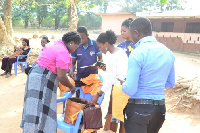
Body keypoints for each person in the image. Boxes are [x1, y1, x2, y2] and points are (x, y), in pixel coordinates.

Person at [119, 17, 175, 133]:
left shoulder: (137, 53)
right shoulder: (167, 52)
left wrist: (124, 84)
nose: (132, 39)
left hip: (139, 109)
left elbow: (130, 89)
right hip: (159, 109)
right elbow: (171, 82)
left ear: (136, 33)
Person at [20, 31, 81, 133]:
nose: (75, 49)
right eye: (76, 46)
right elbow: (61, 77)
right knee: (43, 109)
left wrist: (68, 71)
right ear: (71, 42)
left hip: (34, 75)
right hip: (43, 80)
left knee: (33, 107)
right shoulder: (63, 52)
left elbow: (53, 63)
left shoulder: (55, 44)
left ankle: (30, 130)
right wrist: (72, 87)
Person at [90, 30, 128, 133]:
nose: (99, 49)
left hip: (117, 91)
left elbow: (112, 79)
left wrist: (98, 94)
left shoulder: (113, 56)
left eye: (99, 46)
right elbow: (117, 72)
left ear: (106, 44)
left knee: (113, 119)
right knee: (123, 119)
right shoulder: (119, 51)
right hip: (125, 89)